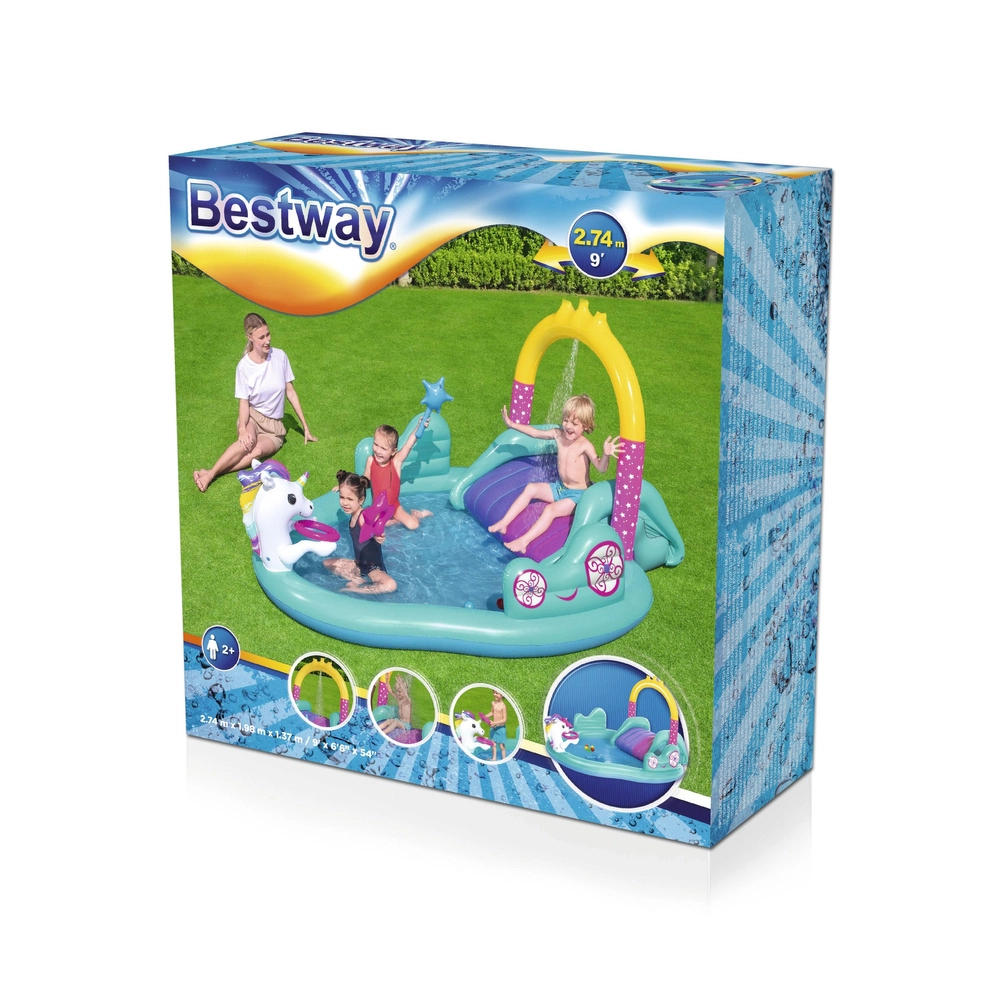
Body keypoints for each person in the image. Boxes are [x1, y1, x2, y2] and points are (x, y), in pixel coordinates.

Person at [193, 312, 317, 492]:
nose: (267, 340)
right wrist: (243, 429)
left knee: (257, 451)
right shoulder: (244, 367)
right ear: (250, 337)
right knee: (247, 443)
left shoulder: (280, 356)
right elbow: (244, 403)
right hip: (253, 417)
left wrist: (305, 427)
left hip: (274, 429)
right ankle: (211, 474)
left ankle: (211, 472)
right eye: (261, 337)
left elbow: (290, 392)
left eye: (268, 334)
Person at [488, 394, 620, 554]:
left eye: (574, 423)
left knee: (550, 510)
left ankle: (523, 541)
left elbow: (601, 468)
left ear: (585, 425)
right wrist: (512, 424)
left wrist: (606, 454)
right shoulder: (558, 434)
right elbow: (535, 433)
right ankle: (504, 523)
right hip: (559, 488)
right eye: (566, 420)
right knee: (531, 488)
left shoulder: (585, 445)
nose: (568, 426)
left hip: (577, 495)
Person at [322, 471, 397, 594]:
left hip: (373, 568)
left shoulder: (363, 516)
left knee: (390, 585)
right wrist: (341, 487)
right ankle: (358, 579)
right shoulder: (353, 514)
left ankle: (357, 588)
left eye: (350, 499)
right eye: (342, 497)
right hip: (359, 564)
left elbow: (374, 526)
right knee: (327, 563)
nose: (345, 503)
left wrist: (379, 536)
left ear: (361, 500)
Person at [362, 422, 432, 530]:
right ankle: (394, 522)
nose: (378, 450)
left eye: (383, 448)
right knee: (371, 523)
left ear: (393, 451)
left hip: (394, 507)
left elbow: (408, 445)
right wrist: (346, 484)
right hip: (378, 508)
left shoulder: (396, 461)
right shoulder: (371, 461)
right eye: (376, 444)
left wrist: (419, 426)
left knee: (413, 525)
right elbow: (364, 480)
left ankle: (416, 515)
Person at [484, 689, 508, 761]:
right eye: (494, 692)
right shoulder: (493, 703)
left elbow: (504, 720)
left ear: (502, 695)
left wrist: (494, 723)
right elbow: (492, 712)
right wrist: (485, 716)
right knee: (493, 743)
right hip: (494, 727)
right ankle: (494, 758)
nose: (494, 694)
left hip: (501, 728)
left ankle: (504, 759)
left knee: (501, 745)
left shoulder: (503, 706)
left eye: (496, 693)